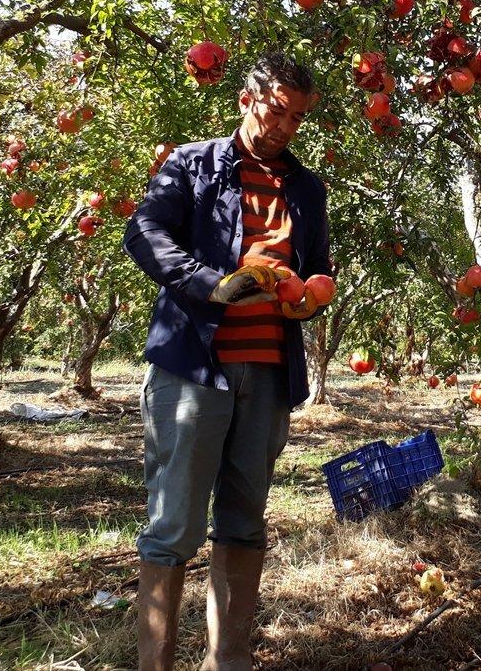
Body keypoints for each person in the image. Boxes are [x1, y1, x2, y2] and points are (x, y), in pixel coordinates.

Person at [124, 52, 331, 671]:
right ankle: (155, 665)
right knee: (174, 525)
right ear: (247, 99)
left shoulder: (306, 187)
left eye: (298, 117)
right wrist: (208, 283)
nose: (286, 125)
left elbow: (318, 267)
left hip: (267, 372)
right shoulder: (193, 165)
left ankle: (229, 662)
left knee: (244, 519)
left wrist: (312, 295)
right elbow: (143, 231)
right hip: (195, 367)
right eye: (277, 110)